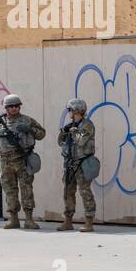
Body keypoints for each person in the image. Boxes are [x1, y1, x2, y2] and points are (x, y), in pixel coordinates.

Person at [0, 94, 46, 229]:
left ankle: (29, 219)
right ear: (6, 108)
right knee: (9, 190)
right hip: (6, 160)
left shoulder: (27, 120)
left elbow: (42, 134)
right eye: (11, 106)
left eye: (16, 106)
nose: (14, 108)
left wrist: (29, 129)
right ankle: (14, 219)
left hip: (23, 159)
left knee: (26, 189)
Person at [57, 98, 97, 232]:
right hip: (70, 163)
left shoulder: (87, 125)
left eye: (70, 110)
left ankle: (89, 222)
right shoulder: (72, 126)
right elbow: (60, 142)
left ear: (75, 110)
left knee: (85, 192)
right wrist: (64, 131)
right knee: (68, 192)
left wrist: (73, 131)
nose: (69, 113)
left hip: (82, 162)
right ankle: (68, 221)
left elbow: (81, 141)